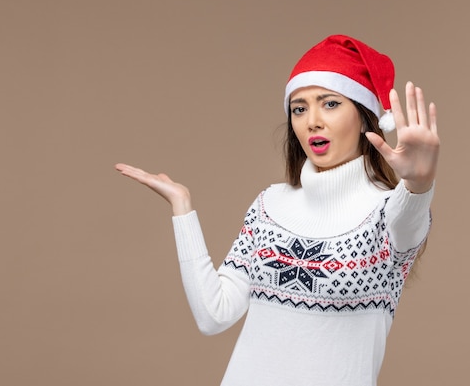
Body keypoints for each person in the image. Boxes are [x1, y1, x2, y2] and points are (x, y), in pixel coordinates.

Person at [115, 34, 440, 386]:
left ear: (364, 118)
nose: (312, 120)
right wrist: (182, 208)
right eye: (299, 108)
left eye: (330, 104)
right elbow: (214, 314)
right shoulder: (269, 206)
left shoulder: (388, 214)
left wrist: (419, 184)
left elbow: (410, 215)